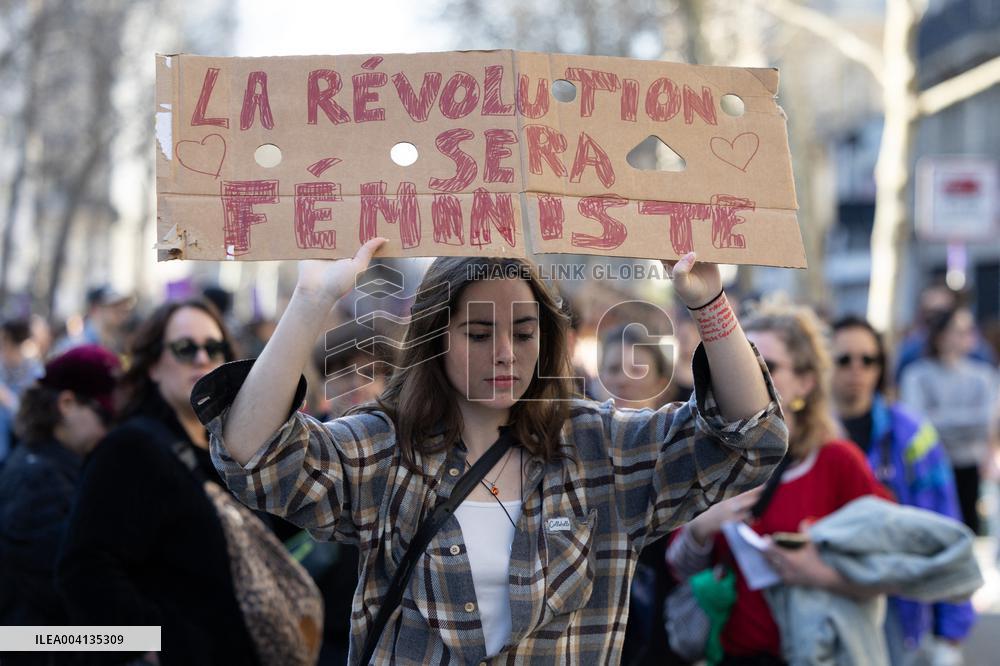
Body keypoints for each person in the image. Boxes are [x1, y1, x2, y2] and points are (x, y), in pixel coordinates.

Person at [191, 238, 788, 664]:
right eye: (478, 333)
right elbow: (254, 457)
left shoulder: (599, 447)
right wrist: (311, 298)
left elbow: (749, 438)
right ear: (435, 339)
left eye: (523, 333)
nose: (504, 352)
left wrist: (708, 303)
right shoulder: (386, 447)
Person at [667, 301, 890, 665]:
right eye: (737, 365)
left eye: (766, 367)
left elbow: (890, 565)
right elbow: (680, 569)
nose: (746, 378)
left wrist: (819, 572)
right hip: (734, 655)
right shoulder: (715, 458)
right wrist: (703, 526)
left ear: (806, 382)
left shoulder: (838, 461)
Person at [55, 299, 260, 665]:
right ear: (152, 366)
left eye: (214, 349)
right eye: (185, 349)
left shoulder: (230, 454)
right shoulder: (131, 449)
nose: (201, 359)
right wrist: (158, 646)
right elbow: (83, 571)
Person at [830, 315, 975, 665]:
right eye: (843, 359)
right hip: (827, 606)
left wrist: (951, 632)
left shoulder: (912, 434)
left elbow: (944, 528)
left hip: (899, 613)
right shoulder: (804, 436)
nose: (857, 370)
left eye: (869, 360)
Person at [0, 345, 119, 665]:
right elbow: (67, 593)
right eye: (106, 416)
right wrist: (142, 640)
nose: (112, 430)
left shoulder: (55, 464)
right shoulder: (37, 479)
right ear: (66, 404)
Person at [899, 305, 1000, 534]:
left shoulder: (983, 376)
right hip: (928, 469)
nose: (966, 336)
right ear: (941, 335)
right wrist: (965, 421)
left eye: (969, 329)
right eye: (959, 330)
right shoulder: (917, 375)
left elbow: (986, 421)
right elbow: (917, 422)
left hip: (970, 468)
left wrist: (942, 419)